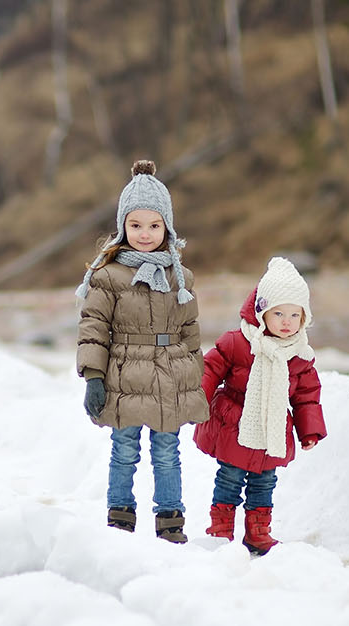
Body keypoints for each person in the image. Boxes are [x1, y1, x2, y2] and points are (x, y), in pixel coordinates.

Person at [76, 160, 208, 544]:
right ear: (122, 227)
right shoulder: (108, 276)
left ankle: (170, 520)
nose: (145, 234)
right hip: (124, 376)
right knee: (124, 449)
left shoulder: (180, 277)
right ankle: (120, 517)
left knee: (167, 452)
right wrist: (93, 377)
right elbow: (94, 330)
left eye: (154, 226)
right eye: (136, 225)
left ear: (166, 226)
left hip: (169, 375)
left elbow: (190, 330)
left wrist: (195, 375)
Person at [193, 257, 326, 555]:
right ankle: (221, 530)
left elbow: (307, 396)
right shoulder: (238, 342)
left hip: (273, 431)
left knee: (264, 484)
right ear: (262, 312)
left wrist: (310, 431)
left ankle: (258, 532)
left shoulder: (300, 355)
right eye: (278, 313)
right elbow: (210, 369)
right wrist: (198, 397)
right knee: (229, 478)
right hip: (235, 425)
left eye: (295, 315)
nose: (286, 321)